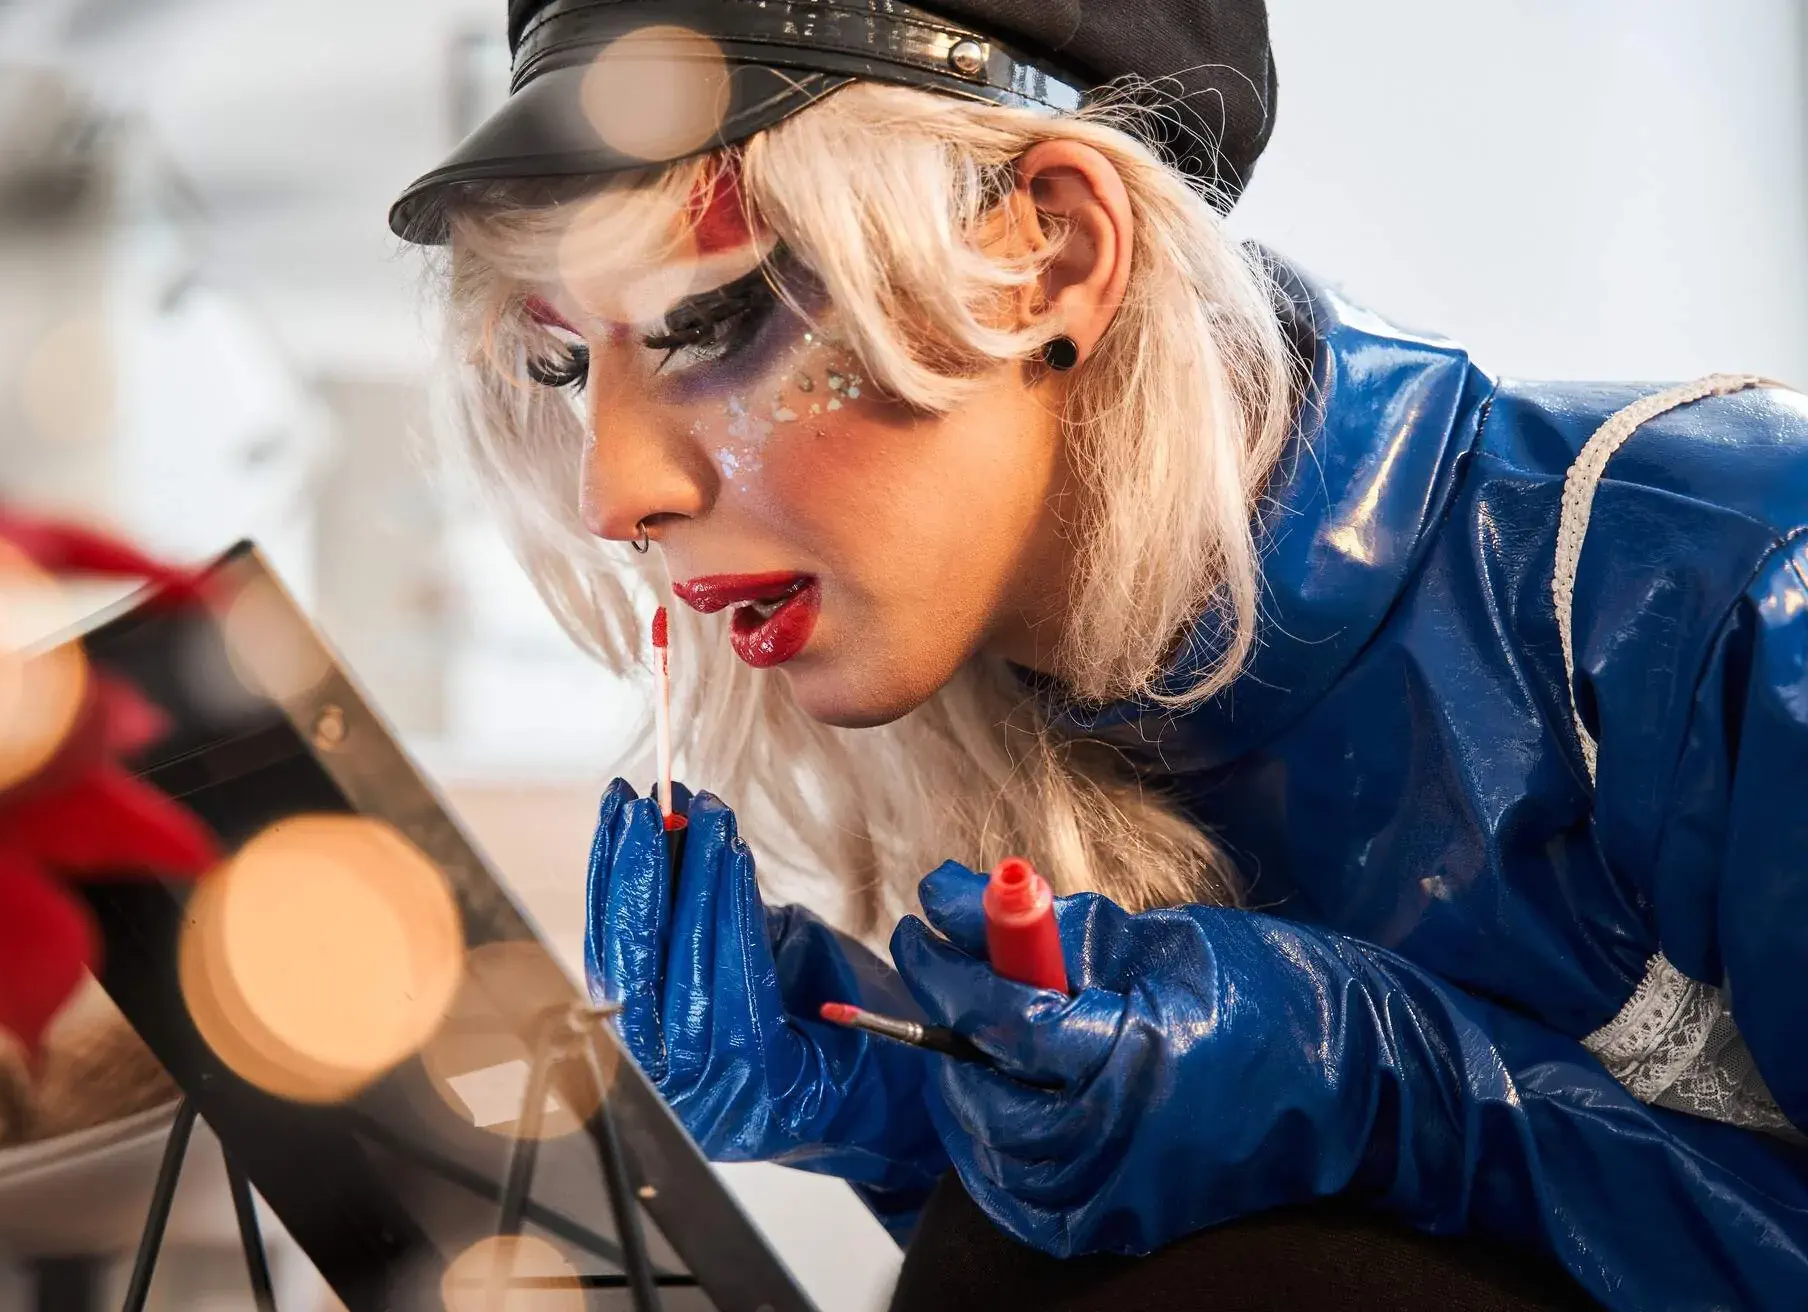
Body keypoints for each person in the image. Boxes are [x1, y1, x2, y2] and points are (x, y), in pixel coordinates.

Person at [390, 2, 1808, 1307]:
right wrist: (913, 1107)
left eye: (705, 319)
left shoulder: (1732, 573)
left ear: (1051, 256)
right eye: (565, 364)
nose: (613, 492)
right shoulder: (979, 701)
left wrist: (1403, 1101)